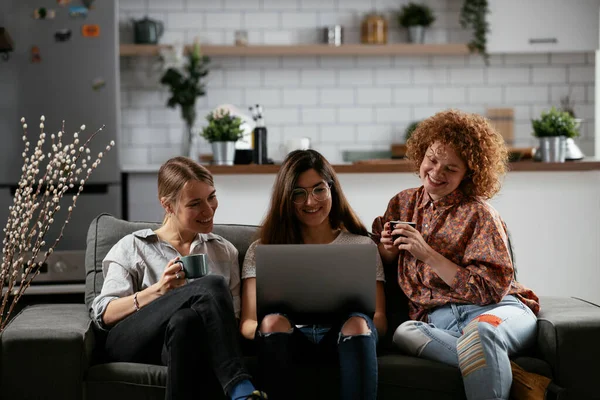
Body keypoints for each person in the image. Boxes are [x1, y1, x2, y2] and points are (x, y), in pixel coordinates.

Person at [373, 109, 541, 400]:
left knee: (481, 333)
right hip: (440, 322)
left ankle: (489, 355)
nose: (437, 172)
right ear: (421, 154)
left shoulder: (480, 214)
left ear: (468, 173)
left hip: (496, 311)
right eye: (432, 159)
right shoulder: (401, 204)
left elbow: (490, 289)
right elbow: (377, 265)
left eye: (451, 168)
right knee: (404, 332)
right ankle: (515, 374)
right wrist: (386, 251)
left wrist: (427, 254)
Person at [90, 156, 267, 400]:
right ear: (168, 205)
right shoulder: (133, 246)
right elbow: (104, 315)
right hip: (131, 342)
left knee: (184, 321)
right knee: (211, 284)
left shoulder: (223, 250)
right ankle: (240, 388)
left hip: (185, 341)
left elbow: (231, 319)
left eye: (211, 197)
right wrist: (160, 290)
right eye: (195, 203)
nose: (208, 209)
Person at [240, 149, 387, 400]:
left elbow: (380, 318)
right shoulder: (261, 250)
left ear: (332, 189)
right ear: (286, 199)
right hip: (288, 341)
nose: (310, 202)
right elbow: (247, 323)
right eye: (299, 193)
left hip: (347, 340)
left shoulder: (361, 246)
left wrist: (364, 327)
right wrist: (267, 328)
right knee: (272, 321)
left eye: (318, 189)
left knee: (357, 323)